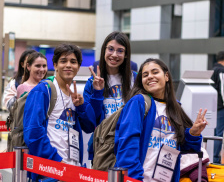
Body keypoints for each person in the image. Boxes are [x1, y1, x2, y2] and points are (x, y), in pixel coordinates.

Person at [114, 58, 208, 182]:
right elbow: (127, 147)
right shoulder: (138, 103)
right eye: (145, 75)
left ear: (167, 76)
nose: (150, 77)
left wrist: (193, 134)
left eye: (155, 72)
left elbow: (185, 150)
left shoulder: (175, 108)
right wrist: (134, 179)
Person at [23, 43, 96, 181]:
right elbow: (33, 133)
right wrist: (56, 161)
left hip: (73, 171)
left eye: (73, 62)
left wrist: (81, 106)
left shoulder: (76, 95)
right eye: (63, 61)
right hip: (50, 172)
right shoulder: (43, 90)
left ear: (78, 67)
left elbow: (90, 126)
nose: (68, 65)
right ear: (55, 65)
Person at [83, 31, 137, 160]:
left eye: (120, 51)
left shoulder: (135, 79)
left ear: (125, 55)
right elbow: (90, 122)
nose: (114, 55)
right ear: (104, 50)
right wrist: (97, 92)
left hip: (129, 145)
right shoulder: (92, 82)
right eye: (111, 49)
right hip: (103, 146)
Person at [212, 51, 224, 163]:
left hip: (214, 107)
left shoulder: (213, 69)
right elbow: (223, 89)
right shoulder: (221, 70)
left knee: (216, 133)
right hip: (222, 108)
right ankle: (215, 159)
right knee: (220, 134)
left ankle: (214, 158)